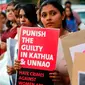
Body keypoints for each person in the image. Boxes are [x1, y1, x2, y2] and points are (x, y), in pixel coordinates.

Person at [13, 1, 70, 85]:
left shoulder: (74, 41)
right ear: (40, 18)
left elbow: (80, 74)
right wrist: (20, 66)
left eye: (53, 13)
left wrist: (65, 80)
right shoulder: (34, 40)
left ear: (63, 15)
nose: (48, 18)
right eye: (44, 15)